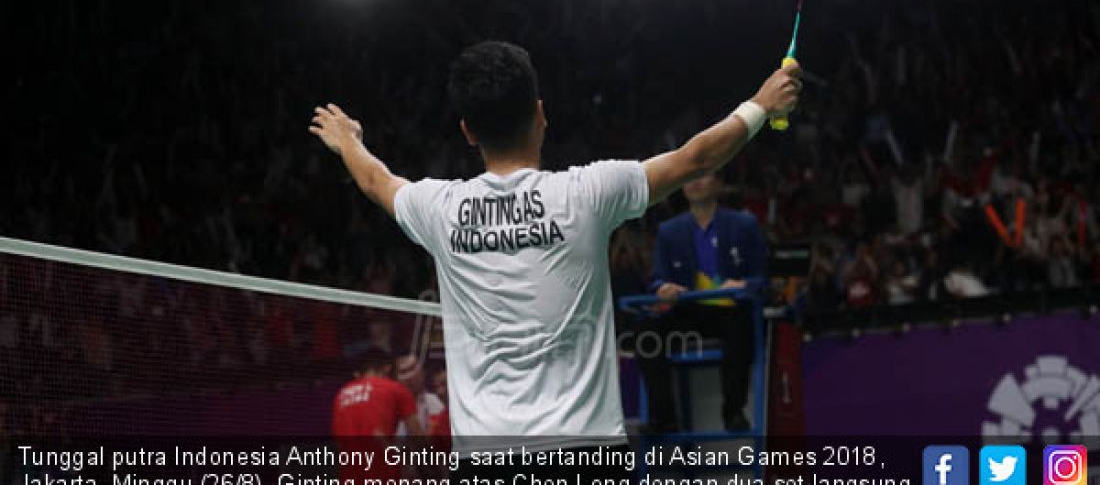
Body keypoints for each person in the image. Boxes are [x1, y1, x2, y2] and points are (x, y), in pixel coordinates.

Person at [309, 41, 800, 471]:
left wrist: (348, 140)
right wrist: (760, 104)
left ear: (468, 132)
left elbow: (375, 180)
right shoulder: (587, 193)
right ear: (541, 114)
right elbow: (696, 158)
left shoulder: (439, 208)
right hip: (587, 452)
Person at [637, 173, 767, 433]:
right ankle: (664, 418)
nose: (695, 181)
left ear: (718, 183)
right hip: (688, 314)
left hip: (730, 312)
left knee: (738, 327)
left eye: (704, 174)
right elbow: (657, 279)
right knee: (646, 333)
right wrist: (663, 288)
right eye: (690, 176)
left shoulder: (744, 224)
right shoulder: (669, 231)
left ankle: (733, 412)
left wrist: (743, 285)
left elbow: (762, 277)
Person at [331, 354, 422, 484]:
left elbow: (340, 445)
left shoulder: (340, 395)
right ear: (387, 369)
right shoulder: (396, 389)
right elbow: (419, 437)